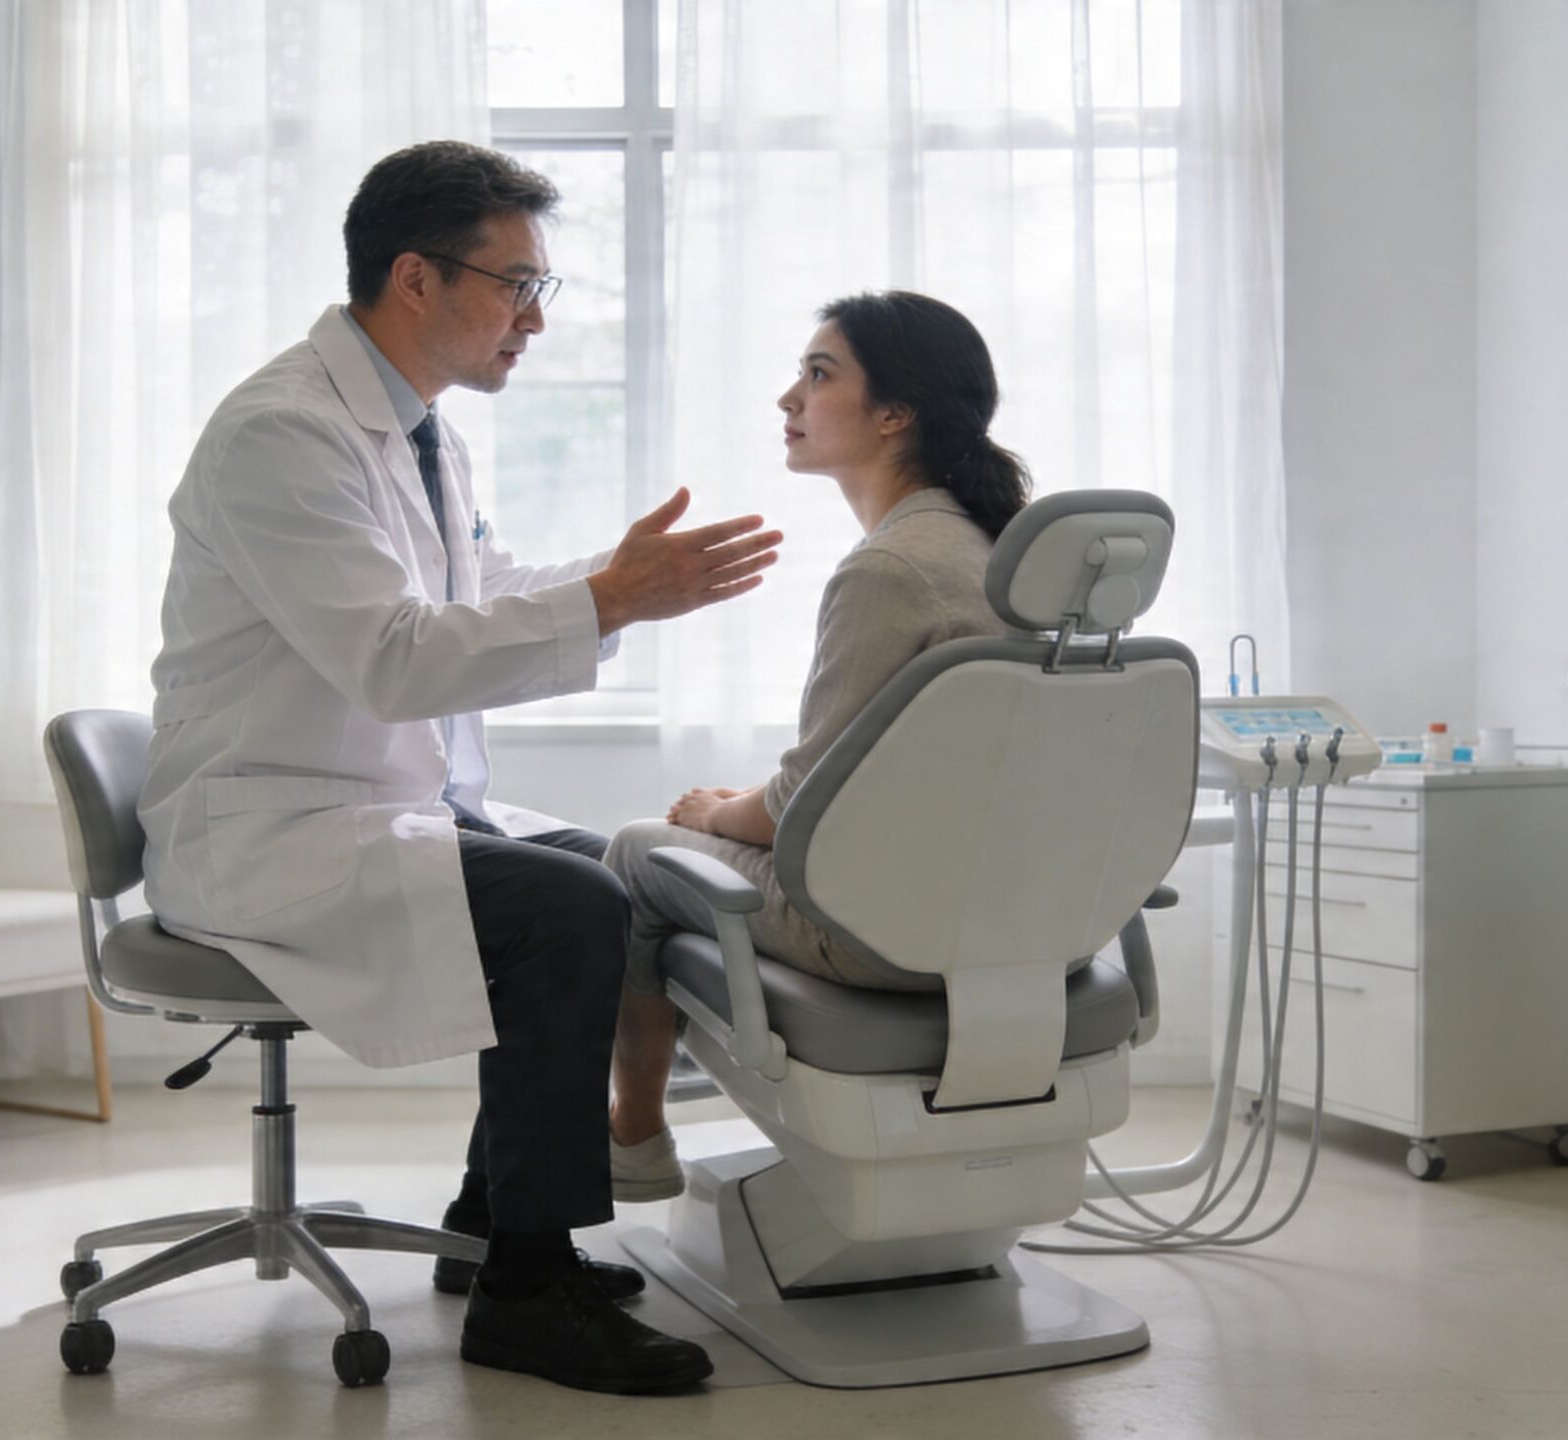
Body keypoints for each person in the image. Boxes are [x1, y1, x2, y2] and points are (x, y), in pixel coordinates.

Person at [138, 141, 780, 1393]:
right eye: (518, 285)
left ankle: (492, 1219)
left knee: (609, 871)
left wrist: (617, 588)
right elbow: (391, 659)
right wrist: (608, 598)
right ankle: (526, 1290)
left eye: (544, 290)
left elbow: (467, 590)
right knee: (566, 909)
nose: (535, 319)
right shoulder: (284, 434)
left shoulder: (417, 429)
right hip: (267, 829)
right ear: (415, 277)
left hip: (366, 804)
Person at [598, 292, 1032, 1200]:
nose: (787, 398)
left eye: (818, 374)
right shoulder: (1004, 554)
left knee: (637, 852)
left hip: (889, 938)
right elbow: (885, 776)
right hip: (1031, 929)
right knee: (695, 836)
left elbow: (804, 810)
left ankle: (633, 1137)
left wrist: (718, 812)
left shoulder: (890, 569)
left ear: (894, 413)